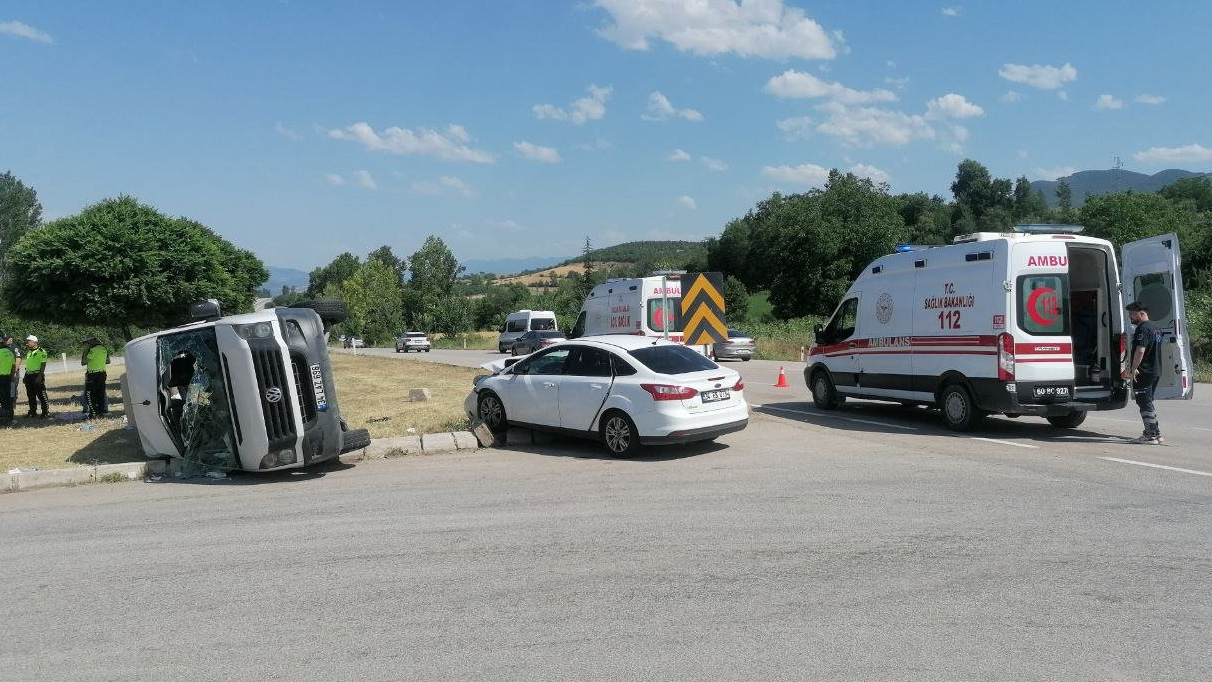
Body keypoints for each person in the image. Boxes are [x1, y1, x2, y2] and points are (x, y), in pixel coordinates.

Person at [1126, 301, 1163, 444]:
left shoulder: (1143, 329)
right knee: (1148, 402)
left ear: (1141, 313)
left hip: (1144, 371)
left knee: (1144, 402)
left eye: (1132, 314)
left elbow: (1140, 350)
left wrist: (1134, 368)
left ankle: (1150, 435)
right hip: (1155, 370)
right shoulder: (1156, 328)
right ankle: (1156, 434)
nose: (1130, 317)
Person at [81, 335, 111, 418]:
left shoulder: (93, 350)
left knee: (90, 394)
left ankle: (93, 413)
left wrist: (86, 351)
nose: (87, 344)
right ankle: (101, 412)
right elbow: (108, 361)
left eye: (87, 342)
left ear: (91, 341)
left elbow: (83, 362)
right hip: (102, 373)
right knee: (100, 393)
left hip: (93, 374)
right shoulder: (104, 348)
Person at [22, 335, 50, 418]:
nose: (27, 343)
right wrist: (25, 376)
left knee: (41, 394)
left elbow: (43, 365)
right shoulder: (29, 352)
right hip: (29, 375)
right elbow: (29, 365)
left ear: (34, 342)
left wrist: (40, 376)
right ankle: (32, 412)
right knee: (30, 395)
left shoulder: (41, 352)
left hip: (37, 375)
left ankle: (45, 411)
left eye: (28, 341)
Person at [0, 332, 15, 424]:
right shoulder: (10, 352)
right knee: (7, 398)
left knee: (2, 399)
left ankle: (3, 419)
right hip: (8, 378)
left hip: (0, 378)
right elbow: (13, 367)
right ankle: (10, 418)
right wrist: (12, 377)